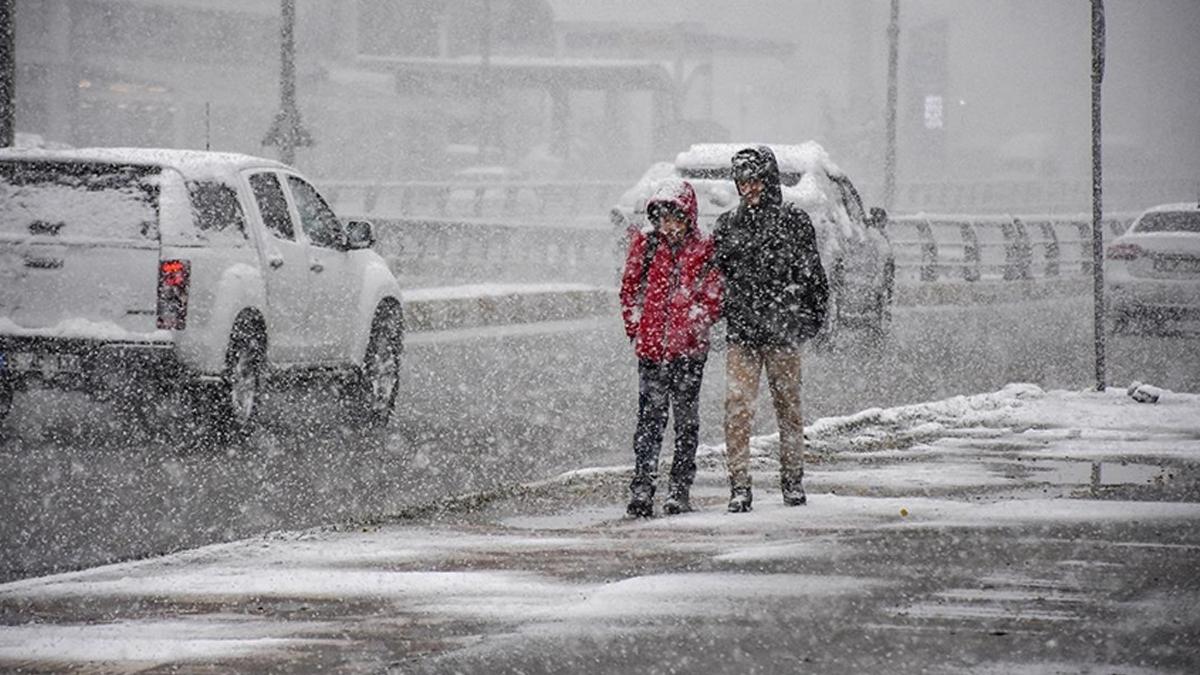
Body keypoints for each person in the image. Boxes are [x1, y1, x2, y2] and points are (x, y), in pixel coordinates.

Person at [712, 145, 829, 513]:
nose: (748, 189)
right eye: (742, 182)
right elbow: (716, 277)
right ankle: (740, 485)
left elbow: (813, 277)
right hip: (744, 333)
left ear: (768, 180)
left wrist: (805, 324)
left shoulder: (794, 222)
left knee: (788, 408)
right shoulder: (727, 225)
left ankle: (792, 479)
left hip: (781, 333)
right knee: (737, 409)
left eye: (754, 181)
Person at [619, 179, 723, 517]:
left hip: (689, 354)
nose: (669, 226)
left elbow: (713, 296)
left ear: (688, 217)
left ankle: (679, 488)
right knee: (649, 423)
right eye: (662, 219)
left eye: (675, 218)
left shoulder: (704, 249)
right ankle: (642, 487)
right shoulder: (647, 246)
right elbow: (630, 290)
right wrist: (637, 328)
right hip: (652, 352)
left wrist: (692, 326)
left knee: (685, 423)